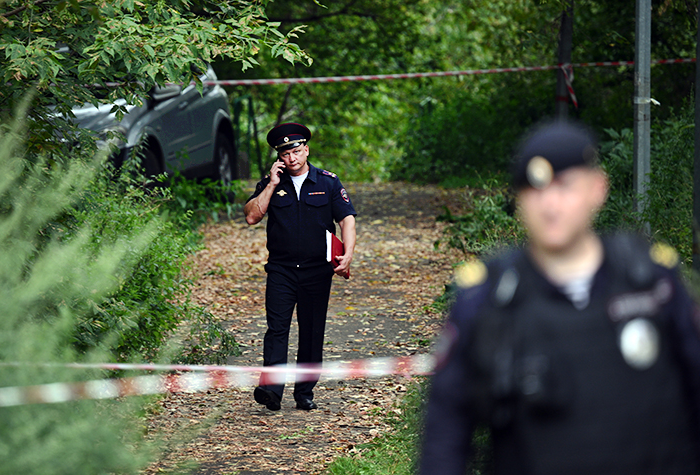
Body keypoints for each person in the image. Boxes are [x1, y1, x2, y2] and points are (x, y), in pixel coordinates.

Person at [419, 120, 700, 474]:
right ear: (519, 200)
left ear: (598, 189)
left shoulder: (652, 282)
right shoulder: (488, 298)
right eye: (535, 191)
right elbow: (444, 434)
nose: (550, 205)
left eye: (565, 186)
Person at [244, 122, 357, 411]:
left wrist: (349, 253)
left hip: (317, 270)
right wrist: (270, 184)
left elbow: (346, 219)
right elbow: (251, 217)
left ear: (306, 149)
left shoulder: (328, 182)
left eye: (295, 150)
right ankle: (271, 390)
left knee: (311, 330)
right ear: (278, 157)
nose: (291, 158)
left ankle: (304, 392)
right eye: (284, 153)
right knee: (277, 329)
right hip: (281, 269)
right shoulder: (271, 183)